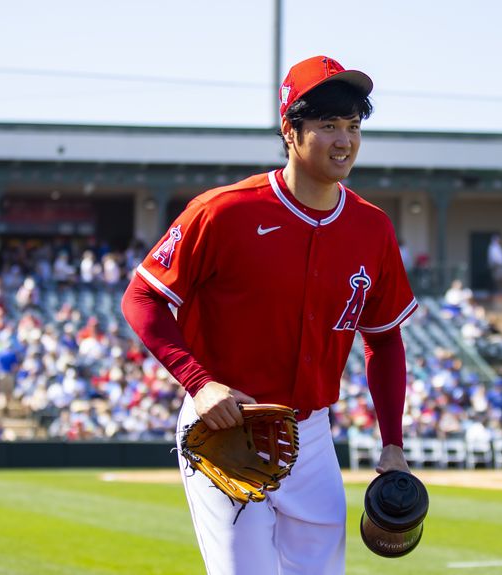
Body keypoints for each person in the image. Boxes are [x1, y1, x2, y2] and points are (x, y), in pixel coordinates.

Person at [121, 55, 417, 575]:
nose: (344, 140)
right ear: (290, 130)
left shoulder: (373, 229)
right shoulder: (224, 210)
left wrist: (392, 443)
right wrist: (199, 383)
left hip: (314, 435)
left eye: (353, 126)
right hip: (228, 428)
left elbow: (385, 340)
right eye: (327, 125)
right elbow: (141, 299)